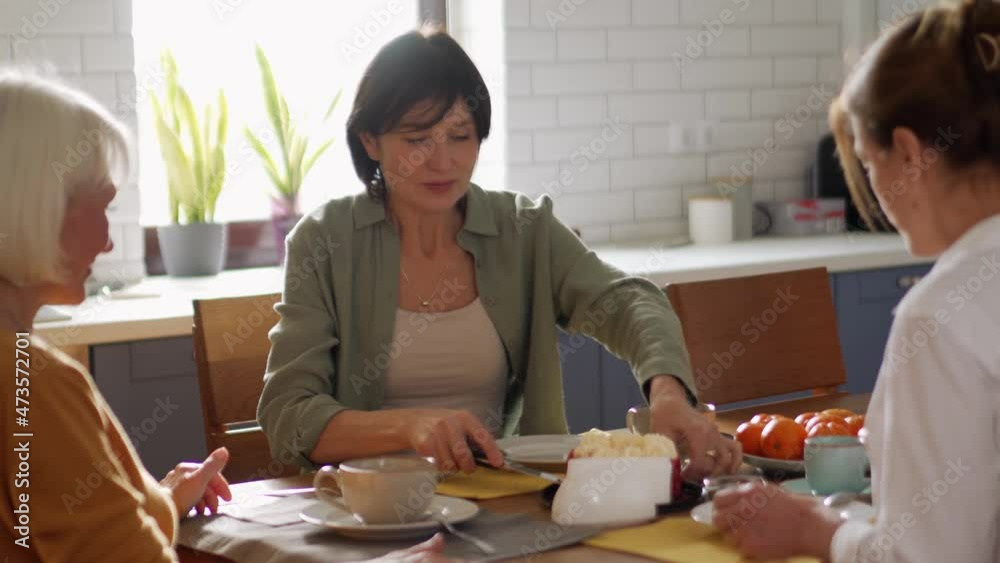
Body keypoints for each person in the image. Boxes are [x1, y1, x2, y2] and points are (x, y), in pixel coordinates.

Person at [0, 70, 456, 563]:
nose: (109, 240)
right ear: (40, 210)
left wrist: (151, 505)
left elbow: (37, 531)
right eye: (102, 206)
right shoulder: (35, 381)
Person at [256, 24, 742, 479]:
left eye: (460, 136)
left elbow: (629, 299)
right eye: (417, 139)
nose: (442, 160)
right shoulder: (325, 242)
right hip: (367, 514)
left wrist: (670, 393)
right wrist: (413, 426)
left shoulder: (522, 230)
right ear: (370, 141)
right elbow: (289, 414)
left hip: (505, 501)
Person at [712, 1, 1000, 561]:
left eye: (869, 163)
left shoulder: (940, 315)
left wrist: (815, 531)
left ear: (910, 153)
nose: (874, 191)